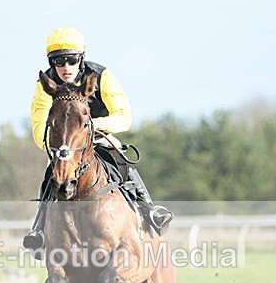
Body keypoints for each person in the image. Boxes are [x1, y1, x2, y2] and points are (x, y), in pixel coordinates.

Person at [23, 27, 173, 254]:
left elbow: (124, 115)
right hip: (67, 145)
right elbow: (38, 127)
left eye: (71, 60)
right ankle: (39, 229)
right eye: (58, 61)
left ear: (81, 58)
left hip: (99, 134)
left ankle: (149, 209)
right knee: (51, 170)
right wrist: (61, 148)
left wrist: (101, 124)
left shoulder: (102, 75)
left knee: (119, 156)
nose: (65, 67)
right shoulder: (45, 84)